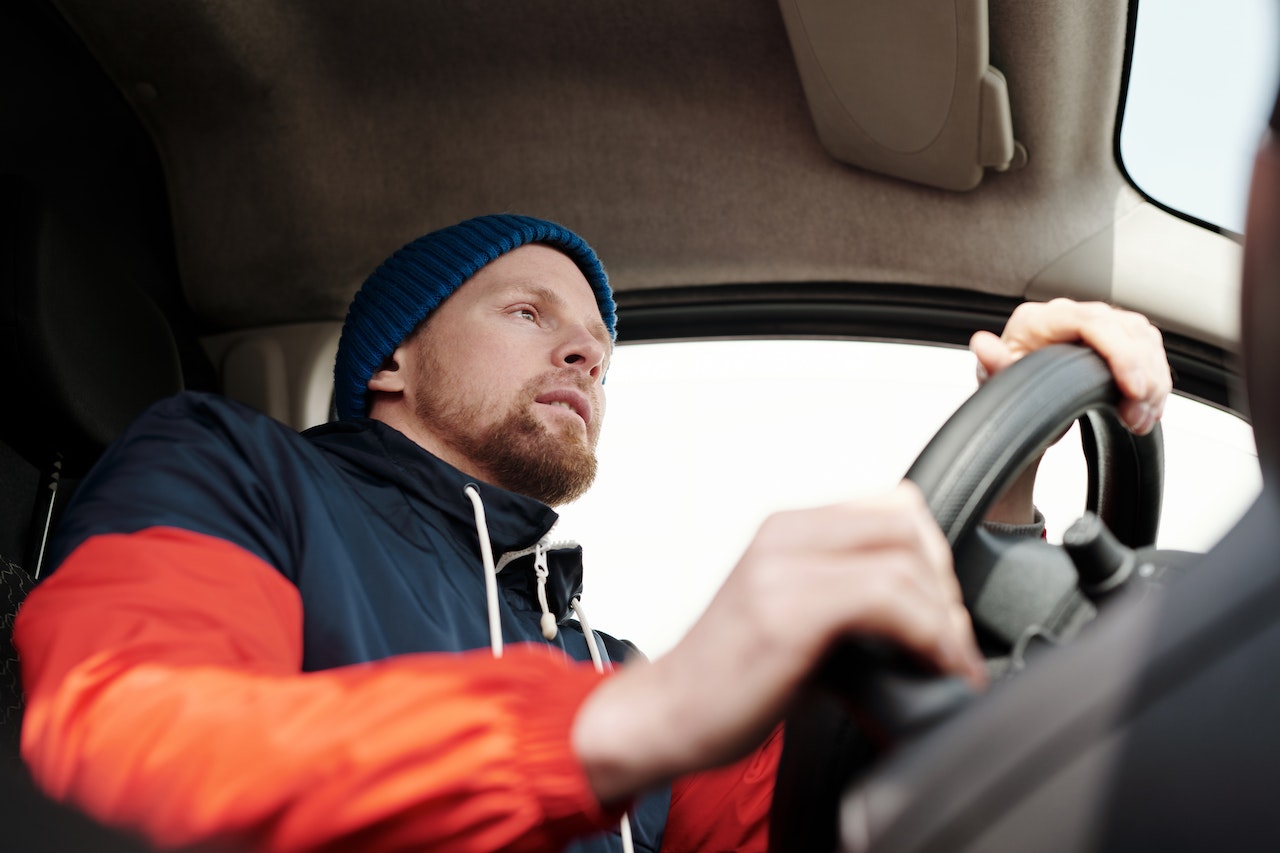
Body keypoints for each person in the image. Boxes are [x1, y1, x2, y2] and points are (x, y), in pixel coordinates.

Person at [13, 214, 1171, 853]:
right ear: (391, 358)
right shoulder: (231, 468)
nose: (583, 352)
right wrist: (625, 724)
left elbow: (795, 821)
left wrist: (1002, 511)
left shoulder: (594, 656)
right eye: (528, 313)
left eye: (599, 353)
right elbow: (126, 735)